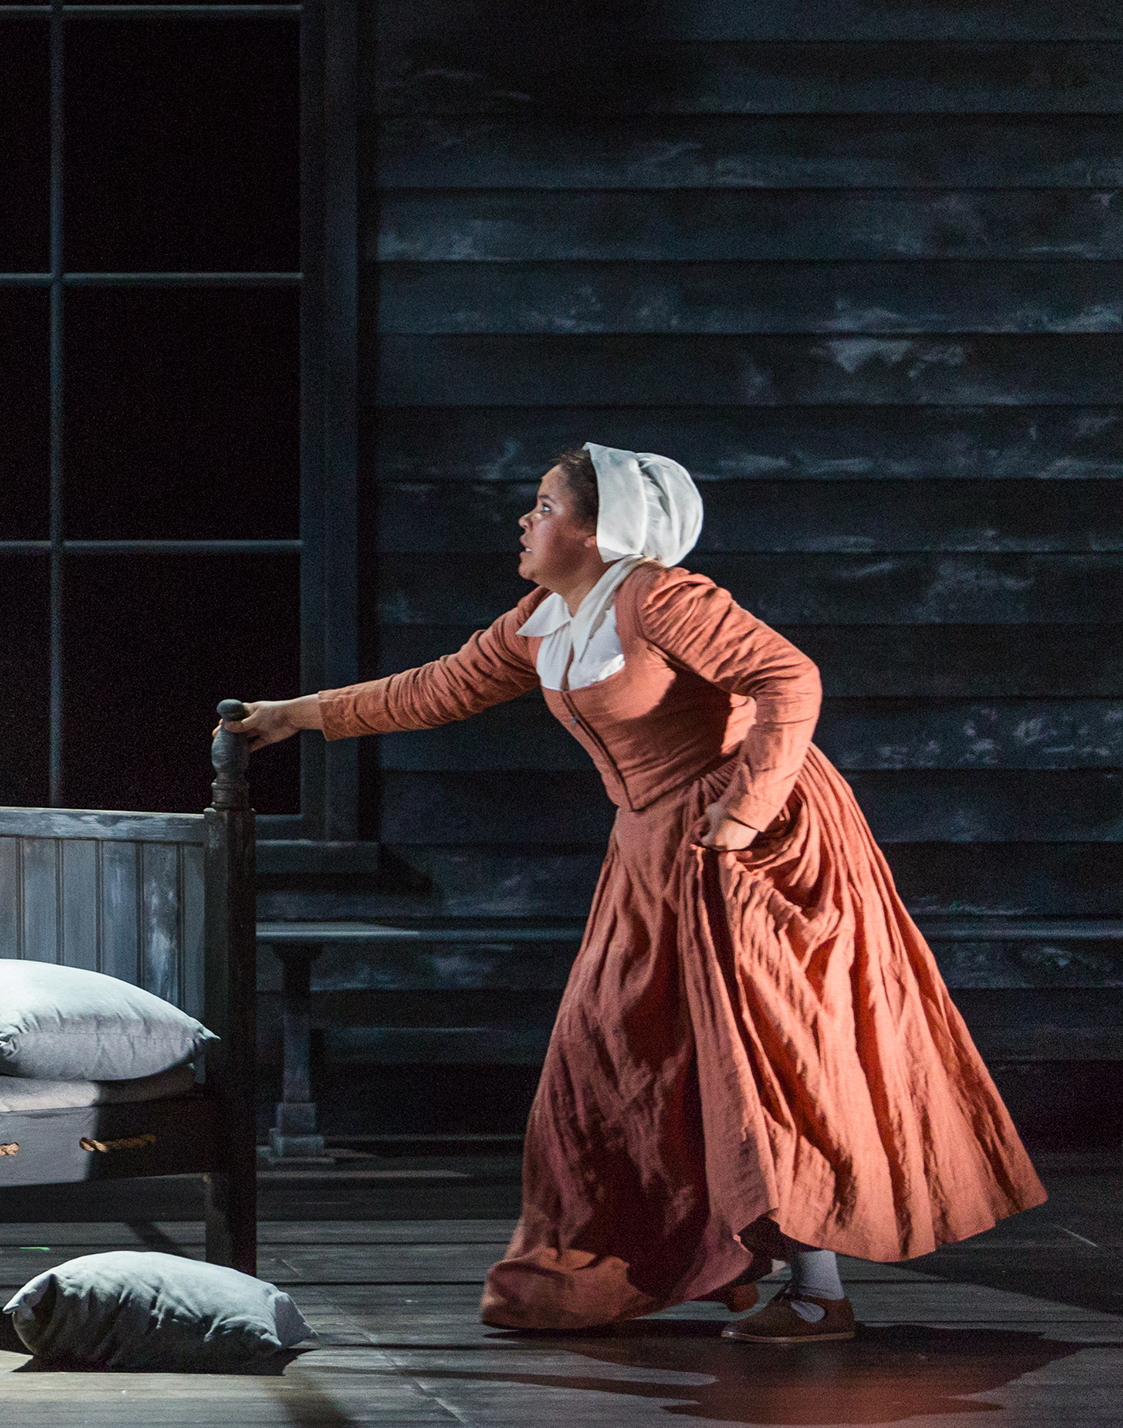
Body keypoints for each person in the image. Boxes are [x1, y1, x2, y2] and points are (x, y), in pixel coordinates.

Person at [227, 444, 1044, 1343]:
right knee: (616, 1051)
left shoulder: (661, 598)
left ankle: (819, 1291)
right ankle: (715, 1261)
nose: (525, 521)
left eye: (543, 505)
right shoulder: (545, 617)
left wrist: (744, 811)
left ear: (598, 526)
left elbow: (789, 678)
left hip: (751, 843)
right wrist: (297, 714)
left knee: (763, 1055)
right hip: (651, 846)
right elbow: (437, 688)